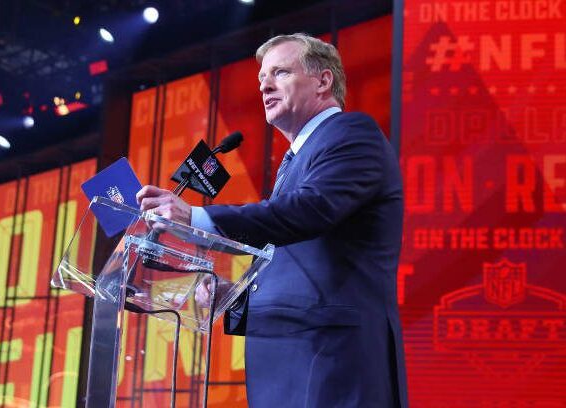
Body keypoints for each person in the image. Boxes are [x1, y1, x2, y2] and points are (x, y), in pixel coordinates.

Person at [137, 33, 408, 407]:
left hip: (332, 365)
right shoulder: (296, 160)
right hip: (291, 365)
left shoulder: (351, 133)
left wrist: (196, 216)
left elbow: (310, 211)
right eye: (262, 77)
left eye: (279, 72)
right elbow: (299, 265)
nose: (264, 84)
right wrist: (232, 297)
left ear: (323, 80)